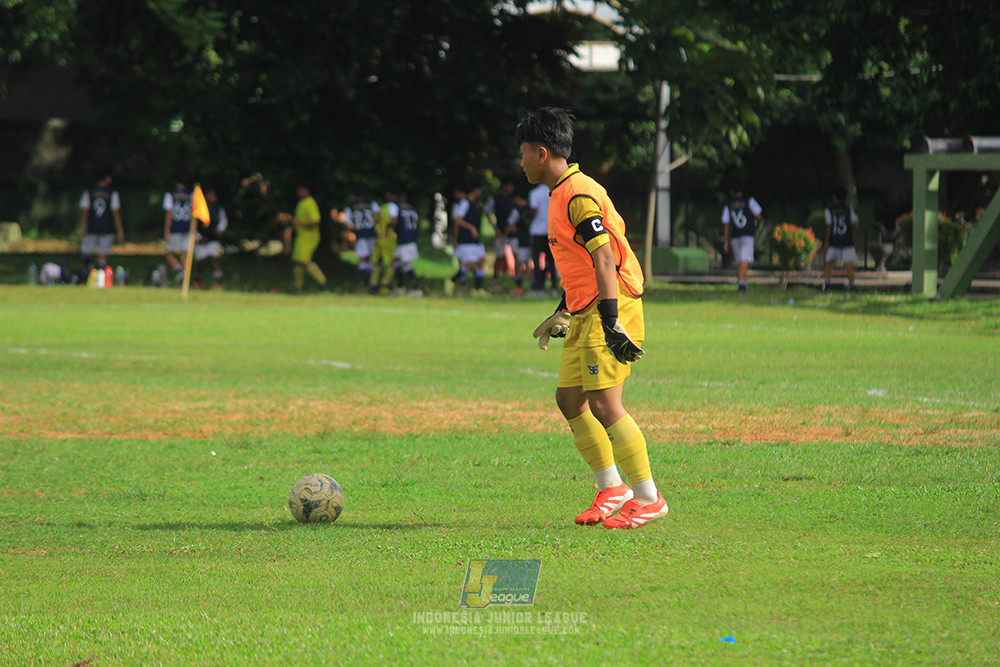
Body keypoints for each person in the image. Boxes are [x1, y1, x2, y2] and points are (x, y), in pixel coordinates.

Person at [517, 106, 667, 530]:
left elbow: (604, 258)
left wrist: (611, 319)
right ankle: (612, 488)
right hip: (586, 309)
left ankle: (648, 498)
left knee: (604, 403)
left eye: (524, 152)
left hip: (610, 305)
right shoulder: (559, 192)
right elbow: (580, 261)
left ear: (542, 153)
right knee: (570, 399)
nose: (521, 161)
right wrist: (564, 309)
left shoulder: (577, 194)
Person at [77, 171, 125, 268]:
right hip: (106, 227)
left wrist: (81, 227)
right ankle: (99, 267)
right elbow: (115, 213)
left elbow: (85, 212)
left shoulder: (89, 192)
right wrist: (120, 231)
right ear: (107, 178)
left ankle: (89, 268)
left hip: (92, 226)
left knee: (86, 252)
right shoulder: (112, 193)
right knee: (103, 254)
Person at [721, 185, 763, 292]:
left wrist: (725, 241)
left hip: (735, 236)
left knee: (740, 262)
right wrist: (756, 226)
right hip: (747, 235)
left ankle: (742, 282)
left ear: (732, 191)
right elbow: (759, 216)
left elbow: (726, 224)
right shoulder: (749, 201)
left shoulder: (729, 205)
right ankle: (742, 284)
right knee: (744, 261)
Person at [448, 185, 487, 295]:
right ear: (475, 190)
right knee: (469, 263)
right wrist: (471, 228)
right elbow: (457, 220)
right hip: (466, 239)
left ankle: (478, 289)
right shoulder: (465, 203)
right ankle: (452, 281)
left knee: (481, 261)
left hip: (475, 239)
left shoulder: (474, 204)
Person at [290, 184, 327, 291]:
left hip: (309, 237)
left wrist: (300, 223)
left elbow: (316, 221)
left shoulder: (310, 203)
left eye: (300, 190)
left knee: (304, 260)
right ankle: (299, 285)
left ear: (306, 190)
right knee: (297, 261)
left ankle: (322, 281)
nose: (298, 192)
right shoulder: (301, 203)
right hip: (301, 236)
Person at [822, 188, 859, 292]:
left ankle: (827, 285)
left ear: (834, 197)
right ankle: (852, 286)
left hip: (834, 241)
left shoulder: (829, 209)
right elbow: (854, 224)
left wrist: (826, 242)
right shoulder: (848, 209)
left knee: (828, 263)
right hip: (847, 241)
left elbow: (829, 226)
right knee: (848, 265)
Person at [483, 179, 518, 285]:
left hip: (513, 233)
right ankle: (495, 278)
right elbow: (486, 211)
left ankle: (517, 280)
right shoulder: (495, 199)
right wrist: (495, 228)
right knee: (499, 256)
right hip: (501, 232)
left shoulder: (514, 199)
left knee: (516, 256)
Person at [193, 187, 228, 290]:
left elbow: (223, 221)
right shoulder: (198, 210)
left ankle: (218, 282)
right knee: (201, 261)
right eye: (210, 195)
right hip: (200, 241)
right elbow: (193, 225)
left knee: (213, 258)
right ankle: (197, 280)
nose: (213, 197)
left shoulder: (218, 209)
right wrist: (198, 237)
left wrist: (219, 230)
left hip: (213, 240)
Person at [529, 179, 558, 296]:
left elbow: (534, 210)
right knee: (551, 260)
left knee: (536, 260)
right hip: (551, 230)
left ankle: (538, 286)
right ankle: (553, 286)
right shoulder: (553, 192)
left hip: (537, 230)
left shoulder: (535, 193)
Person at [344, 191, 380, 285]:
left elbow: (348, 223)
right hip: (371, 233)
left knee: (363, 257)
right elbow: (378, 217)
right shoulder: (371, 204)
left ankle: (367, 282)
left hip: (360, 234)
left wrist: (348, 234)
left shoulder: (351, 206)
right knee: (369, 257)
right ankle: (369, 281)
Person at [163, 178, 193, 284]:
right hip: (187, 228)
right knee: (184, 253)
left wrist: (166, 230)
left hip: (175, 228)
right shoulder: (191, 194)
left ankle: (179, 271)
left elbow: (169, 213)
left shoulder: (170, 194)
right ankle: (186, 277)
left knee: (168, 252)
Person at [392, 188, 422, 295]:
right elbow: (416, 220)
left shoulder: (394, 206)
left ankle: (416, 289)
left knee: (406, 263)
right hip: (410, 237)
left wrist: (388, 229)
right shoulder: (410, 207)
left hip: (404, 238)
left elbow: (394, 221)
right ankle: (400, 287)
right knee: (396, 260)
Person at [369, 189, 398, 294]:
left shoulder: (378, 208)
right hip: (388, 238)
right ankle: (385, 285)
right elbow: (394, 220)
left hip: (378, 238)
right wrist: (388, 228)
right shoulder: (392, 206)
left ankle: (372, 284)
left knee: (378, 261)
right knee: (392, 262)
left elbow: (375, 220)